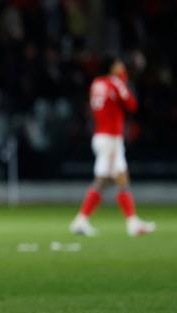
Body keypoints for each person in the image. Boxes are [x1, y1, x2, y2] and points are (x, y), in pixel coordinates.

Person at [69, 57, 155, 237]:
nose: (122, 67)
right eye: (119, 64)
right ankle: (81, 220)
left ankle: (132, 222)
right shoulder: (115, 82)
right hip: (111, 138)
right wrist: (123, 80)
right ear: (112, 67)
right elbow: (132, 104)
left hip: (101, 135)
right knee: (102, 180)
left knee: (120, 177)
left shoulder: (97, 83)